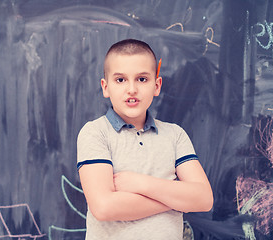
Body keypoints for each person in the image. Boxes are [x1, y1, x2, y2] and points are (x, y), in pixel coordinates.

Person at [76, 39, 213, 240]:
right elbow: (104, 207)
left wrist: (140, 184)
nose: (132, 89)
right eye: (120, 80)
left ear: (156, 86)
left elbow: (203, 199)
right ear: (105, 87)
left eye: (142, 79)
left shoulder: (175, 135)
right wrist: (176, 199)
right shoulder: (95, 133)